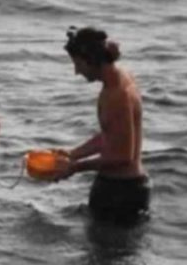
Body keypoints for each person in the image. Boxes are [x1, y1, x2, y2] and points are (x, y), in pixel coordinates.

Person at [52, 26, 149, 223]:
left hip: (120, 192)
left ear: (91, 60)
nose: (76, 71)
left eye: (78, 64)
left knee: (105, 253)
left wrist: (75, 168)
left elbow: (122, 156)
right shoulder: (122, 77)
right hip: (127, 187)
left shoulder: (117, 96)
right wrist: (72, 153)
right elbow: (112, 136)